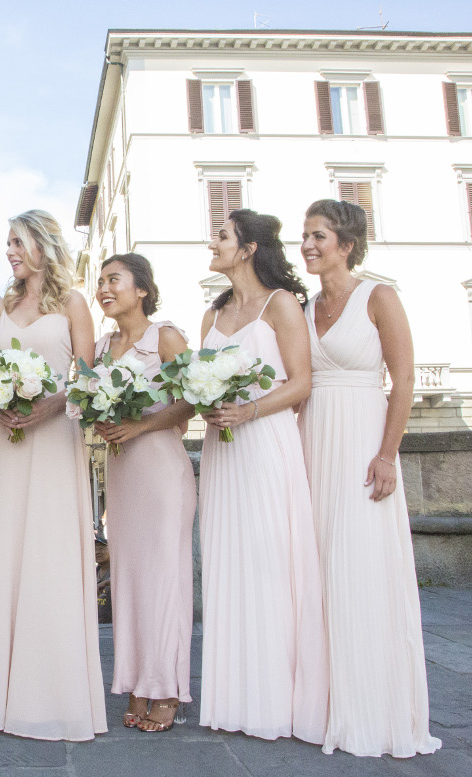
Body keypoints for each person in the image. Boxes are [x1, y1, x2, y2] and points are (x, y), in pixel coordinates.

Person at [297, 199, 442, 757]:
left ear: (347, 244)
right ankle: (324, 701)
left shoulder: (379, 296)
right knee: (319, 568)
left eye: (319, 236)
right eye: (306, 236)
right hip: (314, 443)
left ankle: (371, 709)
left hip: (362, 442)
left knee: (360, 569)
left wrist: (387, 454)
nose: (309, 245)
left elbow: (402, 381)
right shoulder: (307, 306)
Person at [196, 209, 329, 744]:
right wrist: (206, 404)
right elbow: (196, 378)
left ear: (248, 249)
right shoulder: (213, 312)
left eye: (222, 236)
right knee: (228, 562)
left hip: (265, 444)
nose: (214, 242)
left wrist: (249, 411)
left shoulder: (282, 305)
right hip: (221, 450)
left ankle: (277, 697)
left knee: (270, 562)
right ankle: (236, 695)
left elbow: (301, 383)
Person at [0, 210, 108, 741]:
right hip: (10, 440)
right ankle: (3, 690)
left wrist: (54, 404)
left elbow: (90, 377)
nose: (8, 251)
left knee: (51, 551)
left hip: (54, 438)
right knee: (8, 547)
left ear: (42, 246)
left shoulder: (73, 304)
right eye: (7, 243)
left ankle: (55, 692)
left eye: (16, 242)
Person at [92, 253, 196, 733]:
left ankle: (167, 687)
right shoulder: (101, 347)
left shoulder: (166, 337)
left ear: (143, 290)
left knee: (164, 576)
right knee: (130, 576)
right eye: (100, 282)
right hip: (121, 470)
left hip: (159, 465)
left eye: (114, 280)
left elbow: (190, 402)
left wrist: (139, 425)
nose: (104, 288)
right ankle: (137, 681)